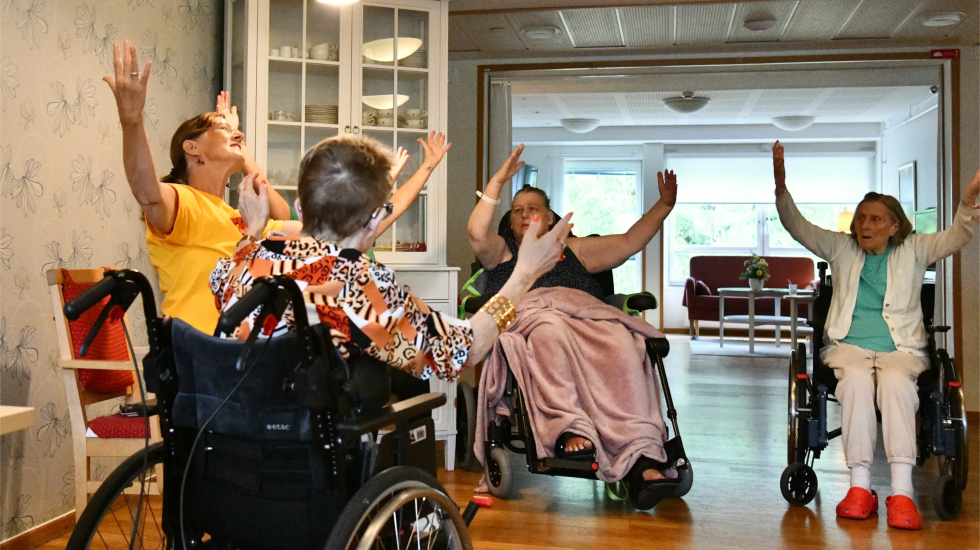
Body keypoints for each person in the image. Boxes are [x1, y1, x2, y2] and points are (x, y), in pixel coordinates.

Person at [210, 135, 572, 383]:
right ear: (374, 220)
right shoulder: (364, 284)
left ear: (300, 208)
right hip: (313, 456)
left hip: (234, 446)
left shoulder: (242, 262)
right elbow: (466, 350)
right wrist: (525, 274)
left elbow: (222, 281)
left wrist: (253, 230)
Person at [772, 140, 979, 530]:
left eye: (876, 220)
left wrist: (967, 203)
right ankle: (859, 486)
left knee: (898, 386)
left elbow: (956, 237)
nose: (865, 226)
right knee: (855, 385)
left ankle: (902, 492)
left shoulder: (915, 249)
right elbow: (797, 226)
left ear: (895, 225)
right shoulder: (841, 248)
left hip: (902, 350)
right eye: (861, 218)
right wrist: (781, 187)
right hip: (848, 348)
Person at [466, 144, 679, 505]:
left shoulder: (575, 250)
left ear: (550, 219)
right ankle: (568, 429)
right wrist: (497, 183)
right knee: (548, 332)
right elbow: (475, 232)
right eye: (517, 210)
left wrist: (664, 206)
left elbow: (629, 242)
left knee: (625, 342)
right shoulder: (502, 252)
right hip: (538, 318)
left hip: (587, 318)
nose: (524, 214)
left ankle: (641, 451)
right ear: (511, 222)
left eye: (533, 208)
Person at [104, 40, 292, 333]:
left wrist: (237, 144)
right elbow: (148, 194)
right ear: (192, 148)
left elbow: (282, 217)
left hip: (238, 348)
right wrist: (132, 122)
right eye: (224, 130)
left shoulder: (238, 217)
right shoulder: (185, 201)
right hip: (198, 347)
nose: (239, 135)